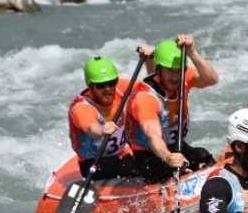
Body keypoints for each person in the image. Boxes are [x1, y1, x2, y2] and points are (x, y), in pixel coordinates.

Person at [127, 34, 218, 182]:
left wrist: (192, 52)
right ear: (159, 69)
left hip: (175, 145)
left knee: (202, 156)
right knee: (168, 168)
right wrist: (168, 157)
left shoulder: (183, 77)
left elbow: (212, 79)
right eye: (170, 70)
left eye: (178, 70)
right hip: (148, 155)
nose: (175, 76)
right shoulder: (144, 97)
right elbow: (153, 136)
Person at [67, 50, 153, 179]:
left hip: (122, 154)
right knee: (140, 169)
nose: (108, 89)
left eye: (111, 83)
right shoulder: (81, 107)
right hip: (94, 162)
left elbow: (151, 88)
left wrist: (149, 61)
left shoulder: (120, 88)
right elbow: (92, 129)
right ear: (90, 87)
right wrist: (103, 129)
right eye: (101, 85)